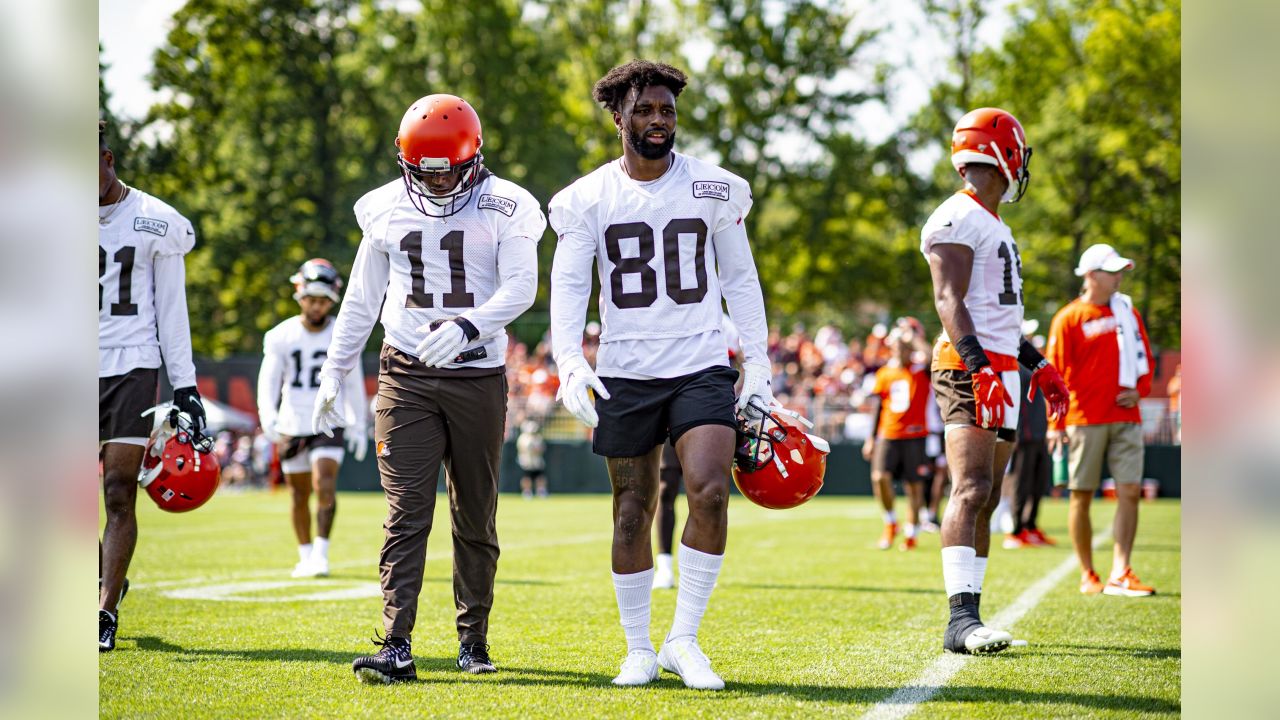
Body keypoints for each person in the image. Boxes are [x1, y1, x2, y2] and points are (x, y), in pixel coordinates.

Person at [549, 60, 771, 690]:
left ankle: (684, 639)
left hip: (700, 364)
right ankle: (638, 647)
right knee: (631, 510)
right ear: (618, 116)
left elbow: (741, 281)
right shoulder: (587, 197)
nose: (656, 121)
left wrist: (756, 362)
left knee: (709, 490)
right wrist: (569, 359)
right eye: (644, 110)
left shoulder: (713, 188)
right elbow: (569, 286)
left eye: (666, 111)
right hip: (624, 371)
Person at [313, 94, 545, 683]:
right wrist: (335, 371)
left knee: (474, 514)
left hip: (476, 374)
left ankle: (474, 643)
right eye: (427, 174)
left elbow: (522, 287)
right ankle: (396, 643)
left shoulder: (507, 204)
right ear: (404, 161)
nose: (439, 187)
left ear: (475, 158)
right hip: (407, 372)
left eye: (450, 173)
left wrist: (471, 324)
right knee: (406, 512)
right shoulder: (385, 209)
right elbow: (362, 298)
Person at [920, 108, 1069, 655]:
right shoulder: (957, 216)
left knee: (988, 497)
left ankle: (972, 616)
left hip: (1001, 366)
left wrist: (1039, 363)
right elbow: (948, 301)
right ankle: (959, 620)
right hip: (967, 367)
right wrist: (982, 368)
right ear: (1003, 151)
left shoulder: (992, 222)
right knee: (973, 487)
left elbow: (999, 317)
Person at [98, 119, 207, 651]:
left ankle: (103, 610)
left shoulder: (153, 220)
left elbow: (172, 309)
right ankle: (103, 583)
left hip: (131, 365)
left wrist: (185, 386)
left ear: (108, 158)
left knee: (118, 490)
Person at [1047, 243, 1157, 597]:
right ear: (1091, 275)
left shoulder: (1128, 311)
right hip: (1083, 418)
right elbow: (1055, 376)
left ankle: (1121, 571)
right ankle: (1086, 572)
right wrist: (1055, 423)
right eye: (1112, 272)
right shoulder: (1068, 318)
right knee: (1081, 494)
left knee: (1128, 491)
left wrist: (1140, 389)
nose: (1119, 277)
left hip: (1126, 415)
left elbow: (1145, 356)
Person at [257, 259, 368, 578]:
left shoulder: (342, 333)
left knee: (325, 483)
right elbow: (269, 380)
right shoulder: (281, 334)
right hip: (293, 420)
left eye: (322, 300)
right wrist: (269, 415)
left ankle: (321, 552)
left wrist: (358, 423)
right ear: (300, 296)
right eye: (312, 299)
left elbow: (354, 381)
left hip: (328, 420)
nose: (317, 306)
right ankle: (305, 554)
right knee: (298, 493)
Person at [654, 313, 741, 590]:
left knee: (707, 490)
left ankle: (702, 569)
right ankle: (664, 564)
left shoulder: (723, 323)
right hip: (669, 406)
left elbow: (738, 363)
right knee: (666, 487)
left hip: (706, 408)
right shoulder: (663, 313)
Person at [862, 318, 933, 551]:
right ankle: (891, 522)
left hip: (915, 435)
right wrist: (871, 437)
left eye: (904, 346)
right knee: (879, 477)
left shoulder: (920, 369)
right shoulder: (884, 372)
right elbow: (878, 407)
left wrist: (912, 338)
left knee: (914, 486)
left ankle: (911, 533)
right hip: (888, 434)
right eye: (897, 346)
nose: (900, 350)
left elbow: (932, 358)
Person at [1002, 323, 1056, 548]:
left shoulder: (1032, 361)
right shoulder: (1013, 362)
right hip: (1023, 434)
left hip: (1039, 432)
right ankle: (1016, 530)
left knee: (1039, 482)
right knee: (1021, 483)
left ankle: (1031, 525)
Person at [516, 420, 548, 499]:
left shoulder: (538, 438)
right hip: (527, 461)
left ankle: (541, 491)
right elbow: (524, 449)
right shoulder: (523, 438)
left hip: (537, 461)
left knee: (540, 477)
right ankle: (527, 492)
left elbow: (542, 448)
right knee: (527, 477)